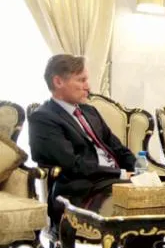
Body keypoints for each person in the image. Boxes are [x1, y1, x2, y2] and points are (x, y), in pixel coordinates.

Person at [29, 54, 135, 224]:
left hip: (116, 181)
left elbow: (118, 148)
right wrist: (121, 174)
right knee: (140, 201)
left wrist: (138, 170)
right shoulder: (43, 118)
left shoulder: (90, 112)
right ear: (58, 82)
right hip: (83, 188)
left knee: (164, 195)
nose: (88, 87)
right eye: (81, 80)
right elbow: (72, 164)